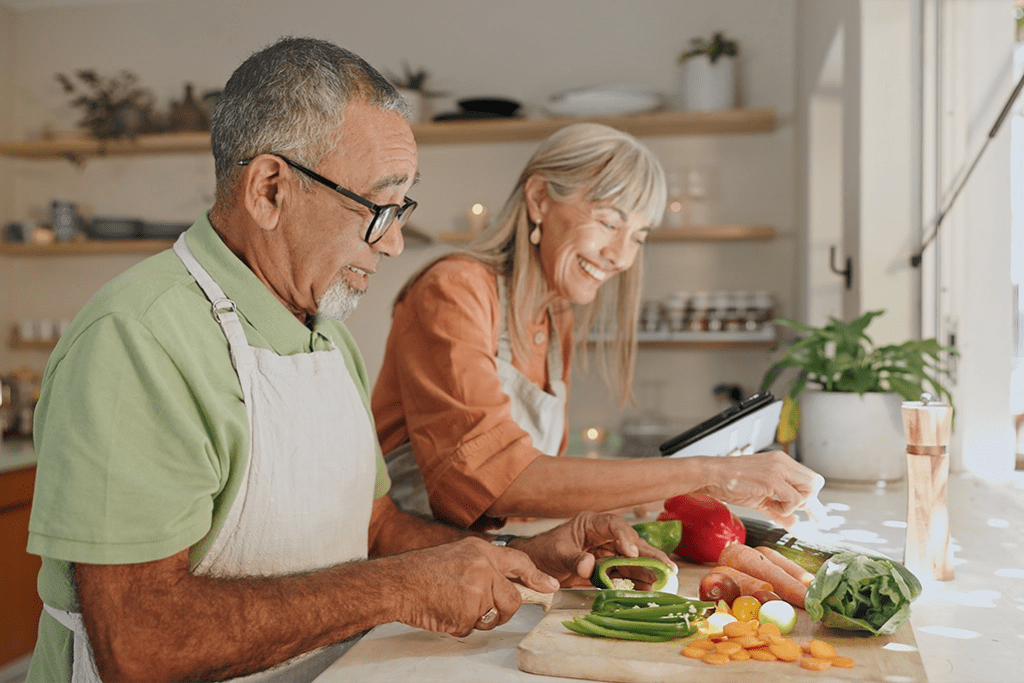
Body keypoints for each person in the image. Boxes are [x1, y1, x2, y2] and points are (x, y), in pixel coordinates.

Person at [25, 38, 673, 683]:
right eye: (377, 208)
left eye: (401, 209)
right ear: (270, 189)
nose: (393, 242)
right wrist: (393, 588)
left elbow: (375, 525)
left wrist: (514, 555)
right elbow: (142, 645)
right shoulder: (136, 340)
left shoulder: (327, 336)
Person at [372, 122, 820, 532]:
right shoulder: (452, 290)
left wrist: (693, 489)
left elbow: (534, 488)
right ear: (540, 199)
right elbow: (496, 479)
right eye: (608, 222)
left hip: (488, 562)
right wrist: (711, 471)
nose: (622, 257)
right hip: (414, 571)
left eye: (639, 237)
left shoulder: (555, 314)